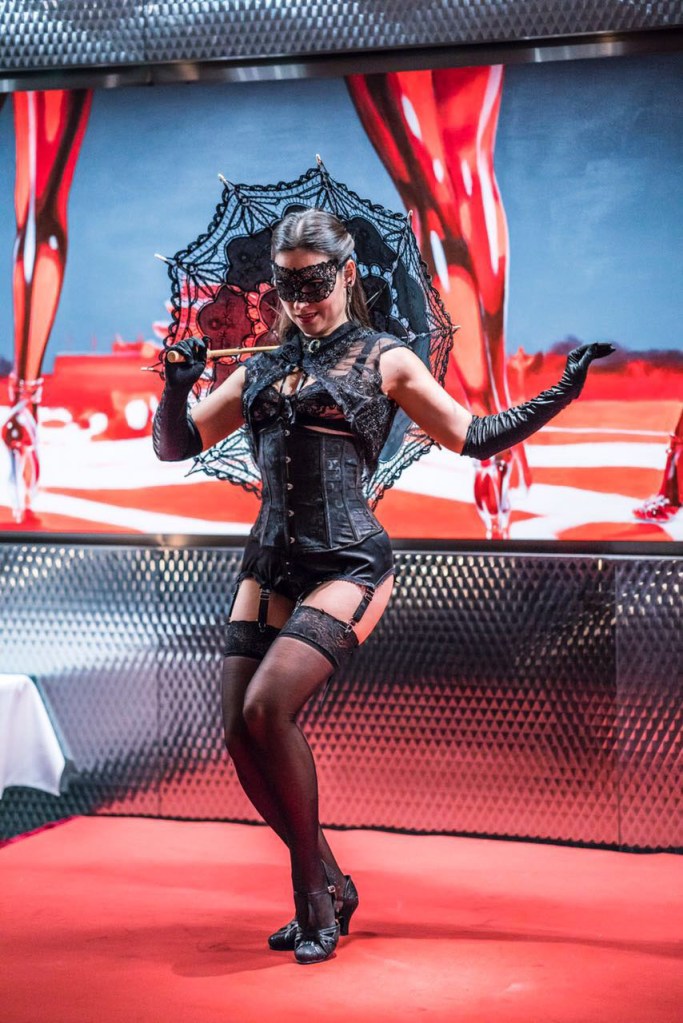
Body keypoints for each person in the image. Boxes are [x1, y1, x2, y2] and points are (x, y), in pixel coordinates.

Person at [153, 208, 613, 965]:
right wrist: (176, 389)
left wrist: (562, 390)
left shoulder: (385, 360)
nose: (303, 300)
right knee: (237, 733)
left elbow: (474, 437)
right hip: (267, 562)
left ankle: (312, 899)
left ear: (346, 274)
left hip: (348, 563)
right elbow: (176, 447)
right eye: (287, 286)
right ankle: (335, 881)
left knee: (267, 710)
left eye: (316, 282)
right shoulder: (259, 366)